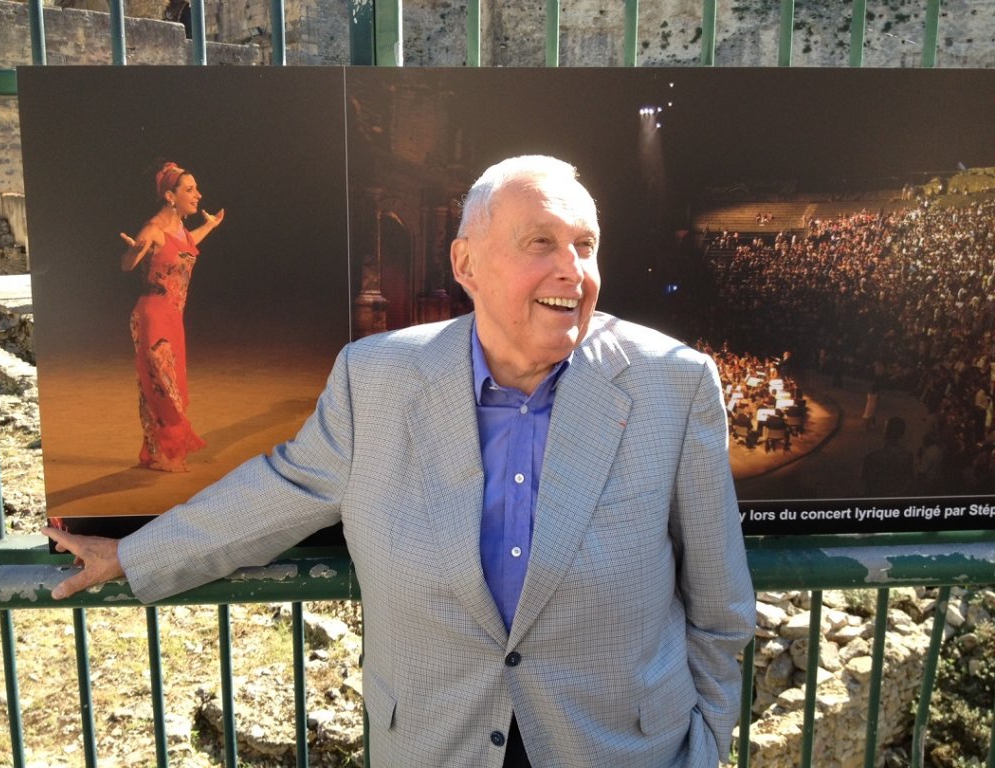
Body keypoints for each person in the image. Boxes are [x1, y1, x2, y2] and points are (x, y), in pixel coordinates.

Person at [45, 155, 755, 768]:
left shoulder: (673, 384)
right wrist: (134, 556)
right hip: (434, 744)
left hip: (620, 750)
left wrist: (704, 747)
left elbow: (721, 608)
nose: (572, 270)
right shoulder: (375, 379)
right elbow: (282, 488)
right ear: (465, 263)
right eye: (541, 243)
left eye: (585, 244)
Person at [121, 161, 224, 472]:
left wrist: (209, 226)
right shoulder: (153, 229)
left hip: (173, 319)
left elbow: (186, 247)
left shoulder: (178, 228)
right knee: (162, 386)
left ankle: (156, 452)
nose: (198, 195)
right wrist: (135, 251)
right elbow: (128, 264)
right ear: (170, 195)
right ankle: (169, 453)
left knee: (167, 384)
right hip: (153, 316)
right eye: (190, 190)